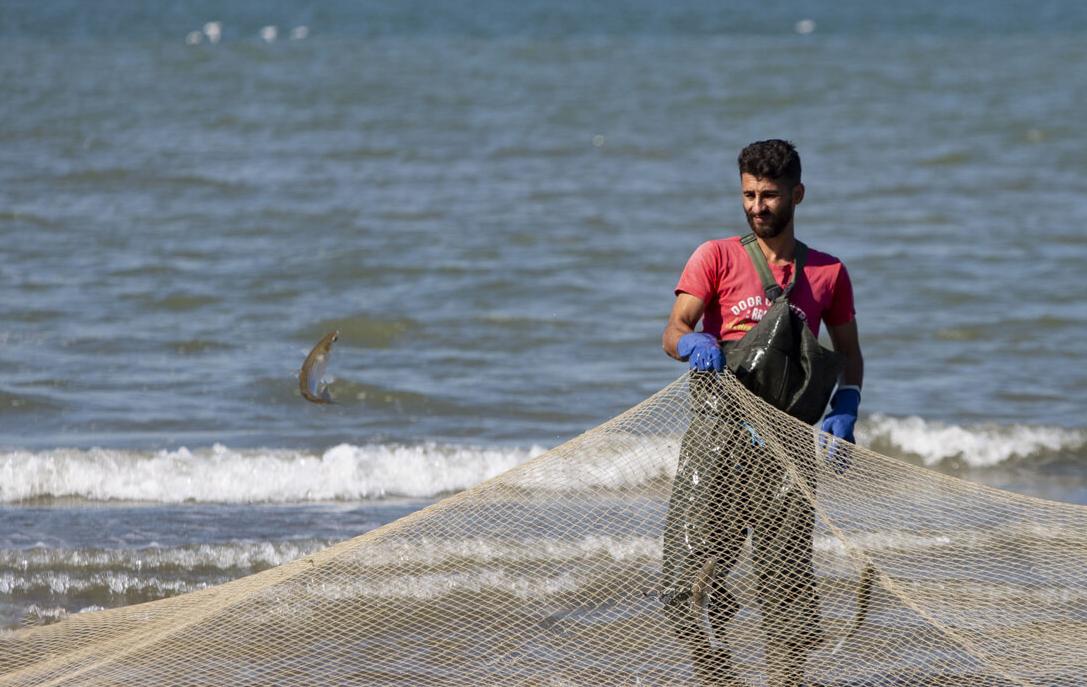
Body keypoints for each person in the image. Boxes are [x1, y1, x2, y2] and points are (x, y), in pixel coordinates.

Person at [659, 139, 864, 686]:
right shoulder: (716, 256)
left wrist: (847, 406)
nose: (757, 206)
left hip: (789, 451)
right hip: (718, 439)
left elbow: (849, 356)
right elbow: (673, 330)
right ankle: (718, 677)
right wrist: (689, 346)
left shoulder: (827, 273)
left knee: (788, 593)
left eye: (769, 195)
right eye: (749, 194)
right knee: (688, 581)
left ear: (797, 194)